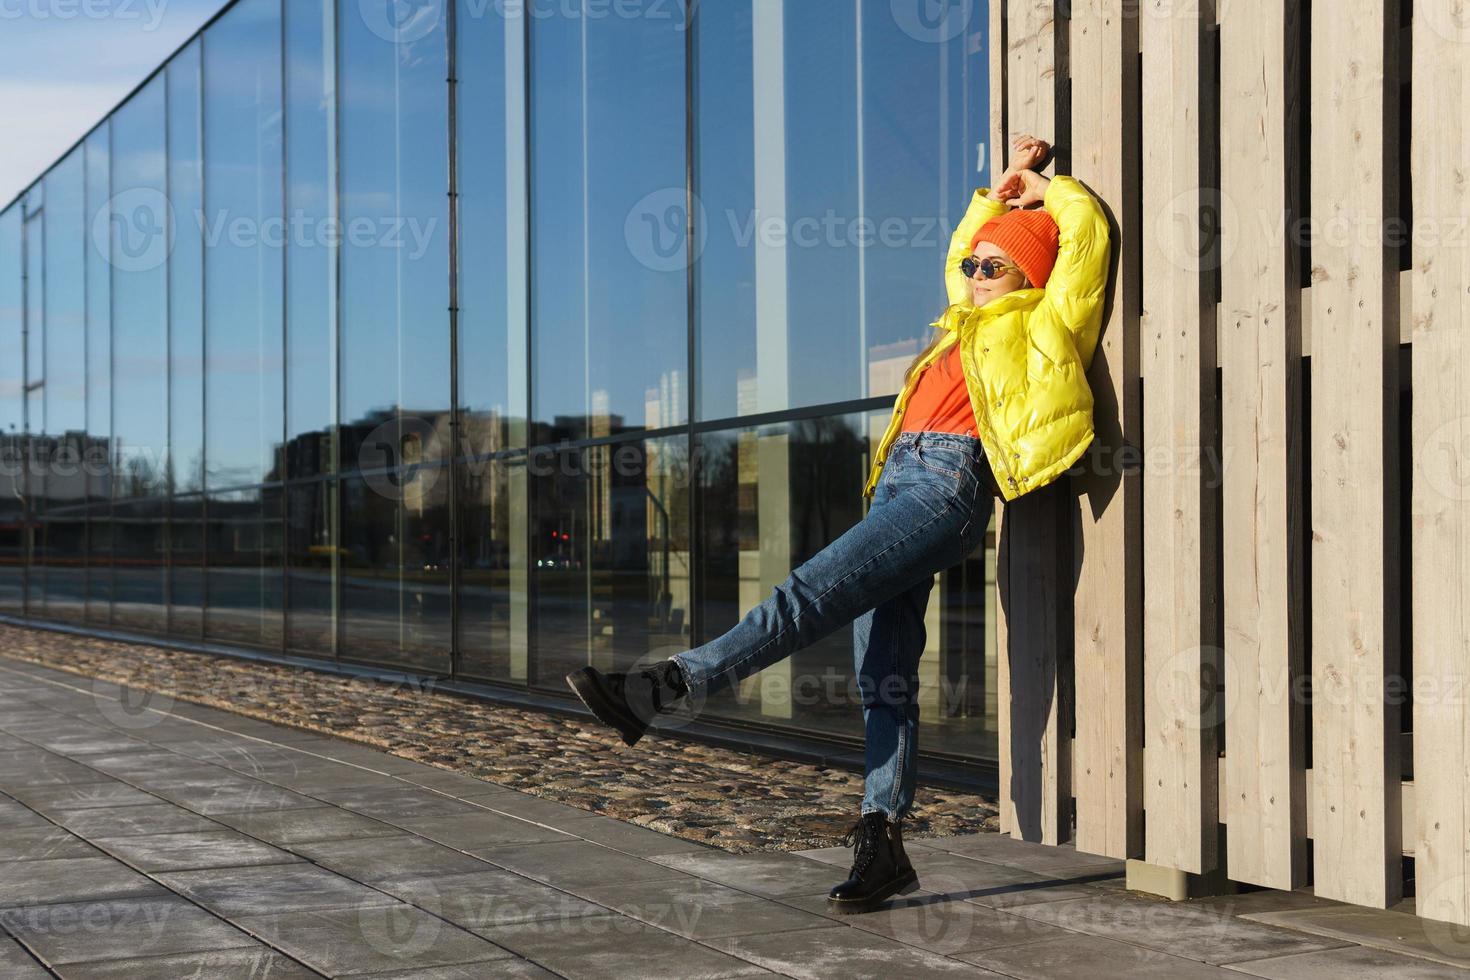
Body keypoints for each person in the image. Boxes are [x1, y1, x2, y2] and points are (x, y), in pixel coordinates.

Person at [567, 134, 1112, 914]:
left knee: (804, 596)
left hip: (949, 490)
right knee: (882, 676)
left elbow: (1085, 234)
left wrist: (1041, 186)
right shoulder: (959, 321)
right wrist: (995, 199)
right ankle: (882, 841)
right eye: (972, 266)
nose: (975, 273)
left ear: (1031, 274)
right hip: (898, 485)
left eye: (995, 266)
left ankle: (665, 686)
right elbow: (964, 242)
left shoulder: (1046, 320)